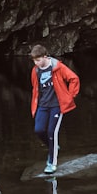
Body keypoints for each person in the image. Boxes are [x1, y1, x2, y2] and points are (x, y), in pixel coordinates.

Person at [29, 44, 80, 174]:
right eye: (34, 60)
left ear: (45, 56)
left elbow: (74, 79)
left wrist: (70, 96)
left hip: (57, 106)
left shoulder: (58, 67)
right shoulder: (35, 70)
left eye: (38, 60)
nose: (37, 63)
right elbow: (35, 87)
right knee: (39, 130)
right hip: (42, 105)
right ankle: (53, 147)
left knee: (52, 132)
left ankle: (52, 163)